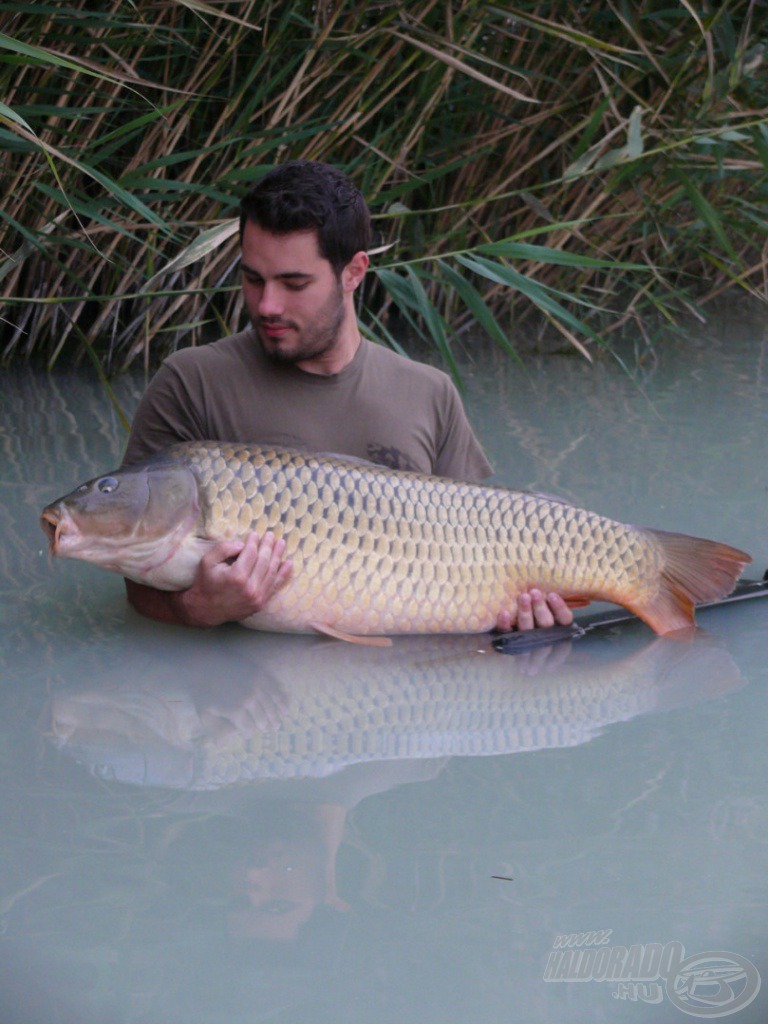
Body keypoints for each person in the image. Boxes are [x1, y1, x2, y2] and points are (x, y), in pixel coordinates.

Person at [122, 160, 572, 635]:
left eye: (294, 284)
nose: (267, 305)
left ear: (354, 272)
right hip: (248, 699)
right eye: (253, 279)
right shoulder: (191, 383)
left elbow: (481, 556)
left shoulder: (428, 392)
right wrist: (198, 608)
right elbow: (137, 579)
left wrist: (525, 619)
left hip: (408, 690)